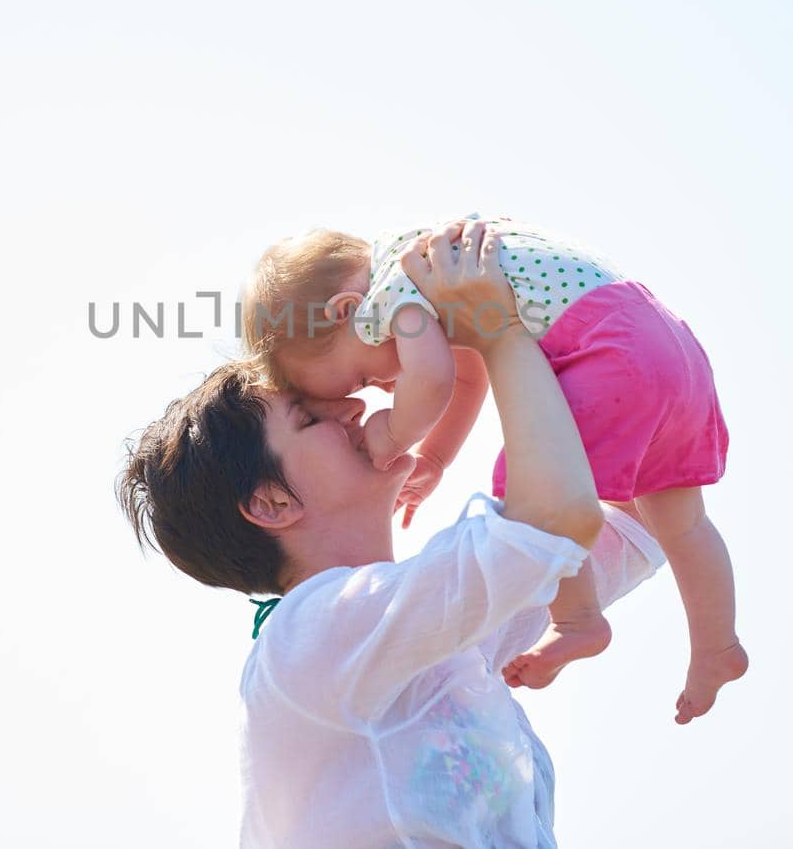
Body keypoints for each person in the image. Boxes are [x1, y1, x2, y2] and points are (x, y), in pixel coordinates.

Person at [118, 221, 664, 847]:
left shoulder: (435, 639)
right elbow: (557, 521)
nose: (354, 407)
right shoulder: (313, 636)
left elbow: (639, 514)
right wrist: (499, 331)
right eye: (309, 418)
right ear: (270, 502)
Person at [240, 213, 745, 717]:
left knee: (527, 484)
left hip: (611, 353)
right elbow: (469, 374)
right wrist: (435, 457)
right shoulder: (429, 265)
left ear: (347, 311)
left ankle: (576, 620)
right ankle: (717, 646)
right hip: (668, 344)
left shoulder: (393, 294)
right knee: (684, 522)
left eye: (360, 379)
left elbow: (435, 380)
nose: (379, 391)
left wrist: (393, 433)